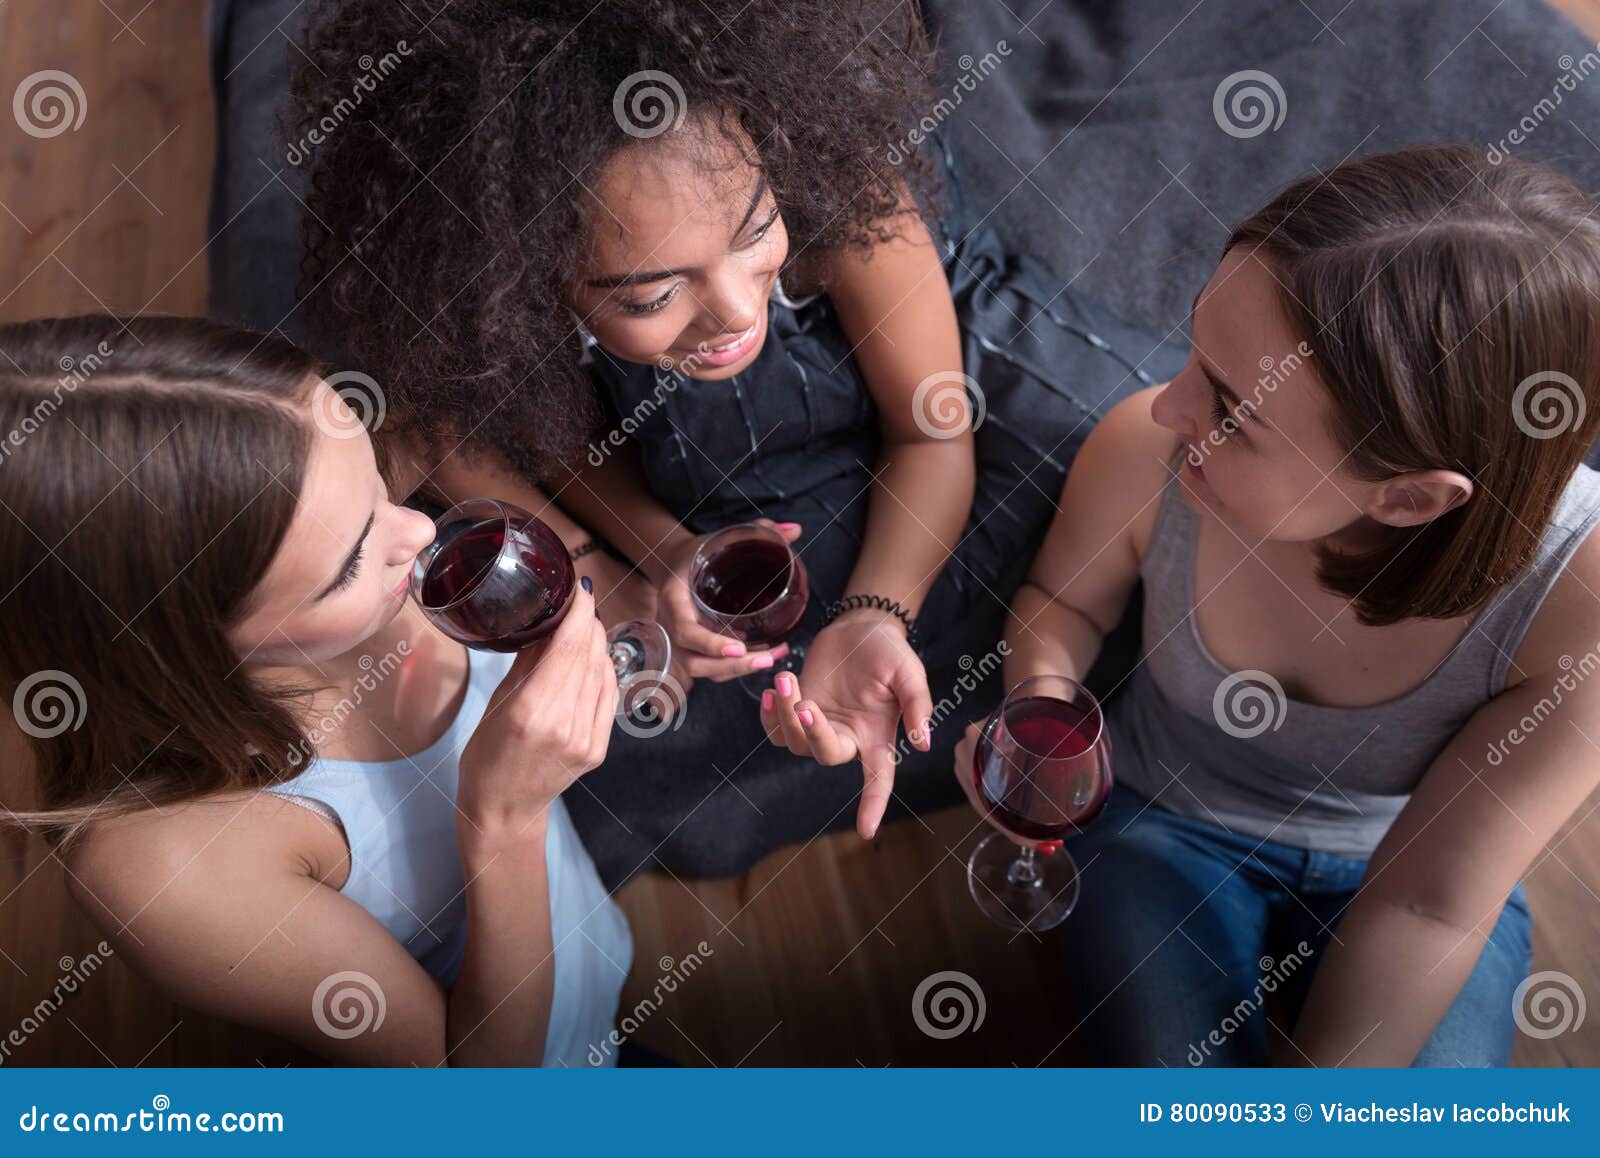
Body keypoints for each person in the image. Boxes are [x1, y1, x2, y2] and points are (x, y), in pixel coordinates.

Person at [288, 0, 1185, 883]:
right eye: (649, 295)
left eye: (756, 238)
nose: (736, 313)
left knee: (1142, 496)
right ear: (523, 279)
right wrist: (644, 554)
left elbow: (926, 431)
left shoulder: (845, 190)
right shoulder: (496, 305)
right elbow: (499, 426)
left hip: (941, 360)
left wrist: (877, 611)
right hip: (700, 443)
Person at [951, 145, 1600, 1066]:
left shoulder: (1581, 596)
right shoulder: (1148, 454)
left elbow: (1430, 902)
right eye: (1194, 353)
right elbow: (1062, 599)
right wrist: (1042, 711)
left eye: (1229, 414)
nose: (1166, 408)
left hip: (1416, 872)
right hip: (1159, 820)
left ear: (1409, 498)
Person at [0, 316, 631, 1066]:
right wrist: (504, 820)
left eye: (375, 482)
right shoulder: (164, 870)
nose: (419, 533)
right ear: (175, 647)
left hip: (598, 972)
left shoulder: (329, 503)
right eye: (348, 563)